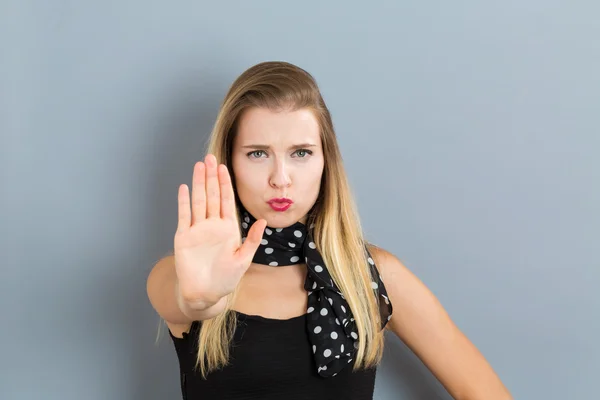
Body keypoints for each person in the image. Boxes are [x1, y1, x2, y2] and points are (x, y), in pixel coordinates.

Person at [146, 61, 512, 400]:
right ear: (229, 163)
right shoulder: (184, 275)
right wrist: (199, 301)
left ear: (326, 162)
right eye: (258, 153)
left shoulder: (373, 275)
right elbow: (184, 298)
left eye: (300, 153)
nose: (280, 179)